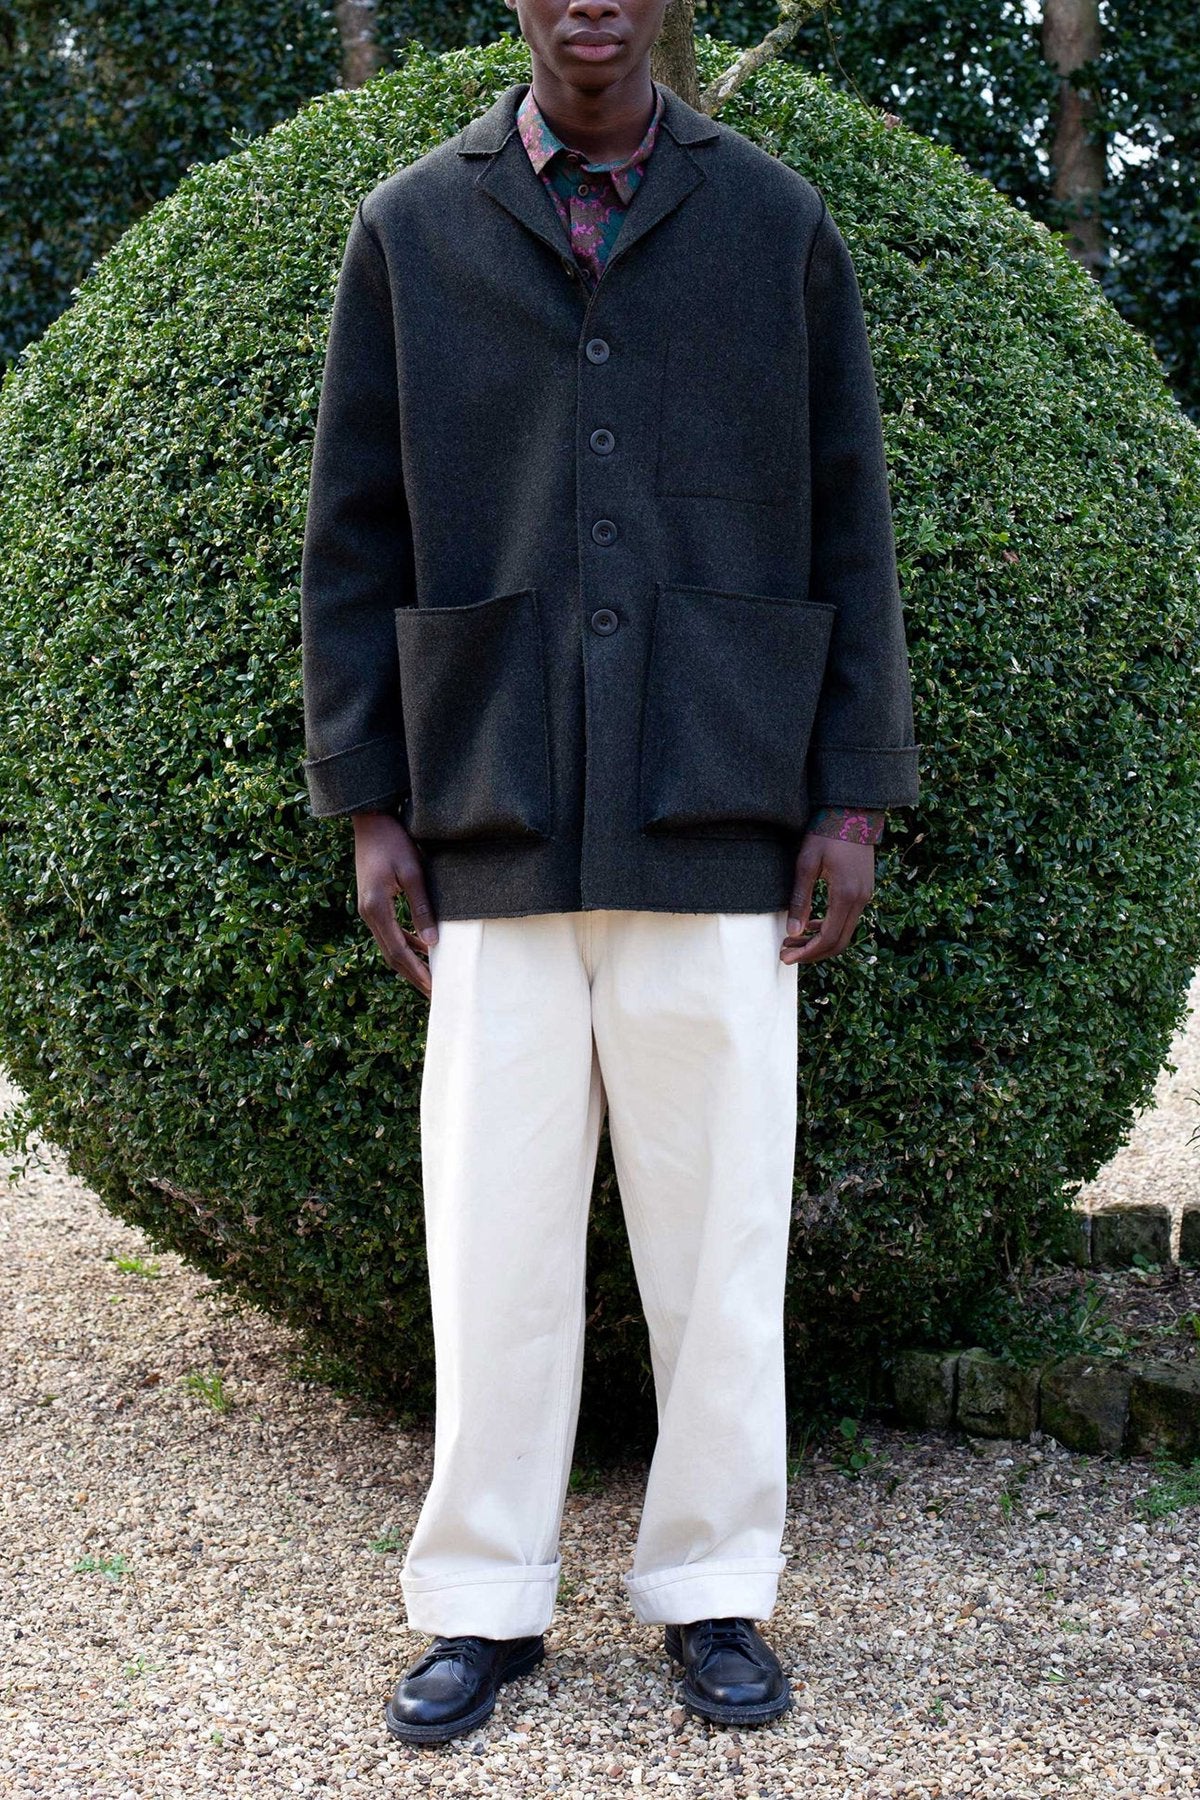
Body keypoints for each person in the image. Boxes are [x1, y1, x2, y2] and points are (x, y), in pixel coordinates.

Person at [300, 0, 919, 1747]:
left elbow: (850, 515)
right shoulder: (414, 228)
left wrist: (851, 800)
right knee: (489, 1235)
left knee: (720, 1239)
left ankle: (713, 1583)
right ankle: (481, 1601)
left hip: (716, 789)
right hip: (489, 797)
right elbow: (351, 534)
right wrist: (370, 801)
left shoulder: (774, 222)